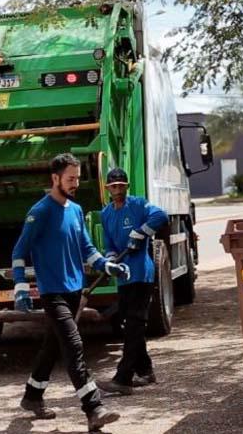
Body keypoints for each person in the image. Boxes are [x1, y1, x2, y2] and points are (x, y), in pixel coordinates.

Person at [12, 153, 129, 431]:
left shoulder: (76, 210)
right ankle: (94, 408)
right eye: (70, 178)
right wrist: (20, 288)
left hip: (75, 291)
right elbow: (19, 251)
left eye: (77, 178)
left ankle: (32, 396)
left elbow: (86, 249)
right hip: (53, 293)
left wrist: (107, 265)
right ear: (55, 179)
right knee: (74, 346)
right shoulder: (39, 212)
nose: (75, 183)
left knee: (53, 345)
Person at [95, 168, 168, 395]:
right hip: (123, 277)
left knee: (135, 323)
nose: (117, 190)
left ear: (127, 186)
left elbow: (161, 216)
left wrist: (141, 232)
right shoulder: (106, 214)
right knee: (127, 325)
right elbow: (109, 245)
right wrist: (110, 260)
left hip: (141, 275)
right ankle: (145, 371)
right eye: (113, 187)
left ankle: (123, 377)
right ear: (108, 189)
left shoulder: (138, 205)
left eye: (121, 186)